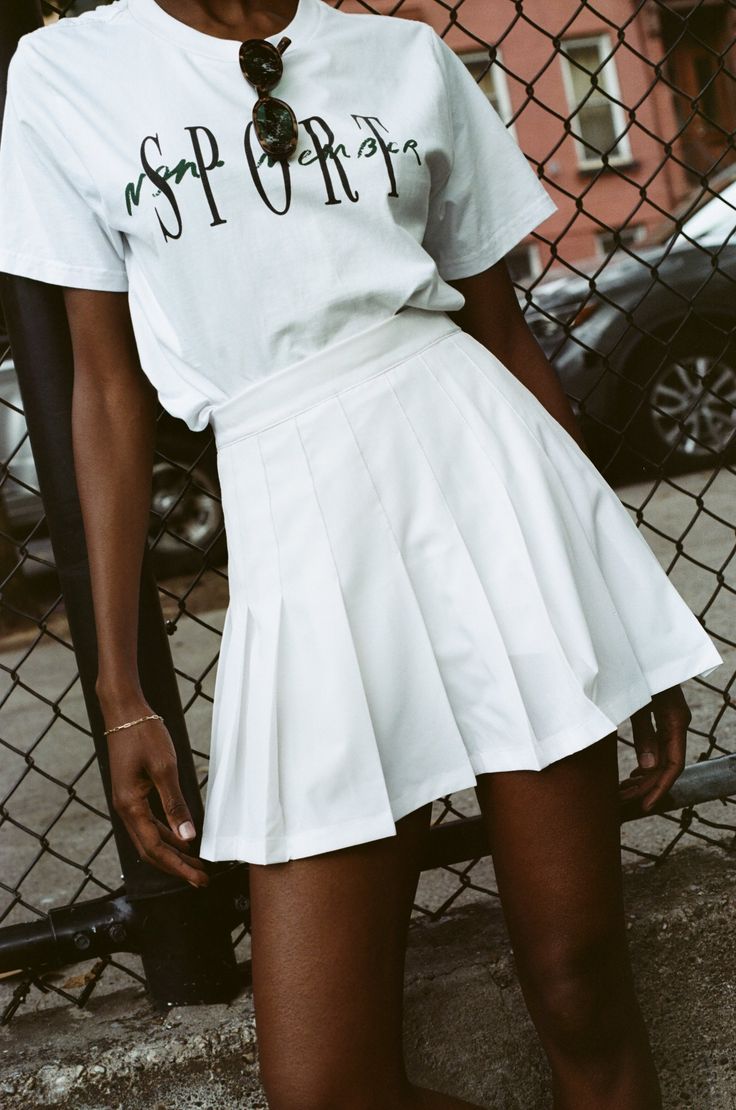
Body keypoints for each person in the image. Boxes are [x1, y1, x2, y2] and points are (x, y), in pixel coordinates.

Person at [0, 1, 724, 1106]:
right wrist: (118, 687)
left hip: (489, 485)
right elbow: (103, 392)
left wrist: (616, 603)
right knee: (324, 1088)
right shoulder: (65, 73)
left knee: (580, 984)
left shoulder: (407, 59)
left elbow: (503, 333)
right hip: (296, 525)